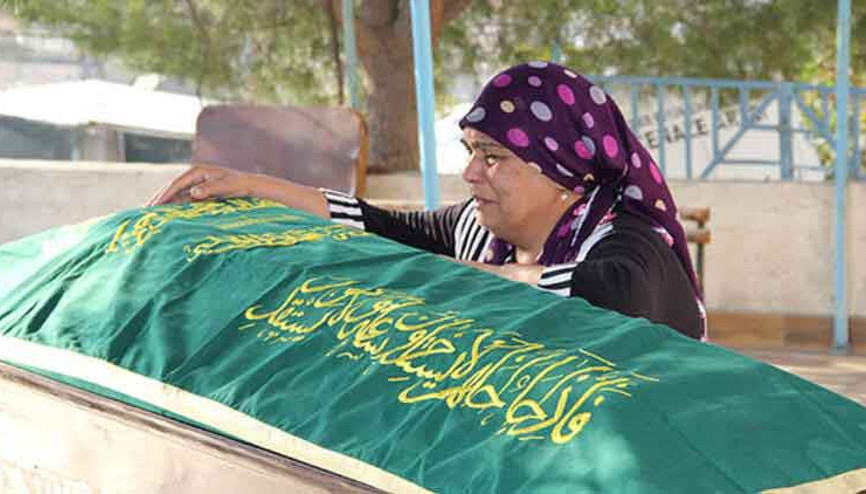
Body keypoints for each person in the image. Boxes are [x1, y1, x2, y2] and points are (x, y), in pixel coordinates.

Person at [148, 62, 705, 340]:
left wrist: (451, 276)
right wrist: (252, 186)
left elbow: (614, 294)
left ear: (565, 172)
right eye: (470, 151)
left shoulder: (627, 243)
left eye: (493, 157)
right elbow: (377, 226)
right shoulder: (478, 230)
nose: (470, 173)